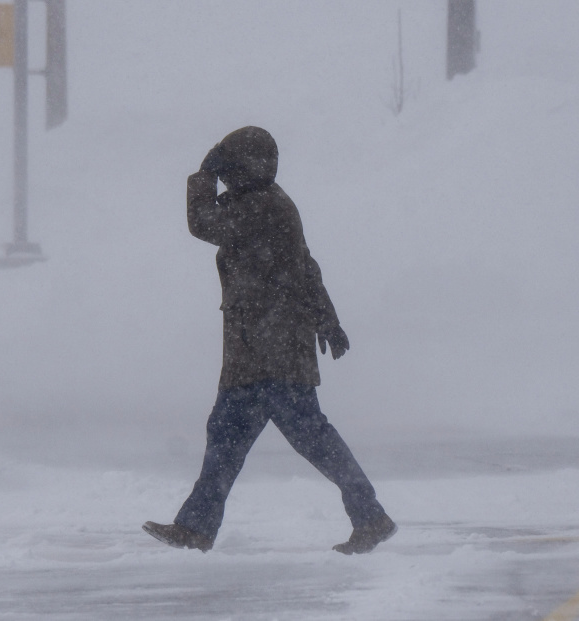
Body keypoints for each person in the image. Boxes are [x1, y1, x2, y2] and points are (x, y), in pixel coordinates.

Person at [143, 126, 395, 554]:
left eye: (228, 167)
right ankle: (195, 529)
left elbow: (203, 224)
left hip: (274, 352)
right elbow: (307, 266)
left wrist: (203, 175)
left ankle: (370, 516)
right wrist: (327, 320)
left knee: (313, 439)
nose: (224, 176)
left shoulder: (265, 206)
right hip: (254, 352)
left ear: (244, 169)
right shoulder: (262, 203)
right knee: (225, 438)